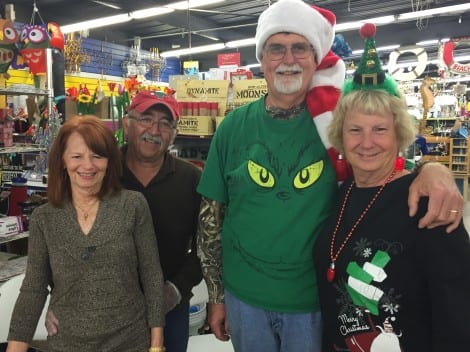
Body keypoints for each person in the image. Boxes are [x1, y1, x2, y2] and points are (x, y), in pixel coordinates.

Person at [196, 0, 464, 351]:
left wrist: (431, 170)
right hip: (244, 297)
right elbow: (210, 217)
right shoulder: (233, 127)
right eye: (276, 48)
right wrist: (215, 296)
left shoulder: (332, 123)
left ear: (315, 58)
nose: (288, 59)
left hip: (314, 302)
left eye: (299, 49)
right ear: (261, 59)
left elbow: (380, 164)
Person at [313, 23, 470, 351]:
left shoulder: (427, 203)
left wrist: (433, 169)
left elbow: (458, 313)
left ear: (399, 135)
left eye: (380, 129)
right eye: (355, 129)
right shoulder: (342, 192)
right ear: (340, 137)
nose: (367, 142)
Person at [45, 92, 203, 352]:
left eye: (165, 123)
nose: (154, 130)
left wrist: (177, 288)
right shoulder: (98, 170)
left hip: (168, 309)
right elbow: (60, 238)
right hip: (99, 311)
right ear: (127, 124)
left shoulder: (191, 180)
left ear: (174, 133)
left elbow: (206, 247)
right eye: (145, 119)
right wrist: (58, 296)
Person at [7, 115, 165, 352]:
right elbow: (33, 289)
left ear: (109, 161)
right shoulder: (44, 218)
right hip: (67, 343)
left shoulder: (132, 205)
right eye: (77, 156)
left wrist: (156, 344)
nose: (88, 166)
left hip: (130, 342)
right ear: (62, 160)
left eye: (97, 156)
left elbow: (152, 276)